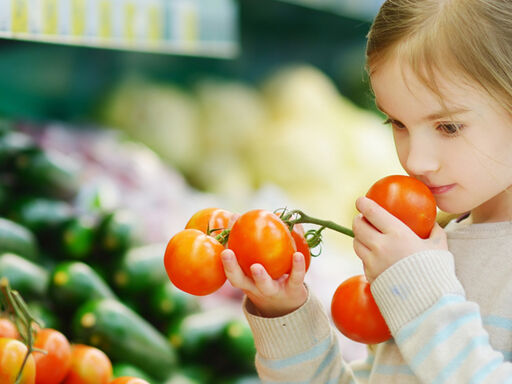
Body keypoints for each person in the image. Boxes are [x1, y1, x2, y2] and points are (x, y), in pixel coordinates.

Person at [220, 0, 512, 382]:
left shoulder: (425, 271)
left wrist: (423, 295)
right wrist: (285, 315)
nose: (417, 160)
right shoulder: (429, 249)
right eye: (397, 122)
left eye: (449, 127)